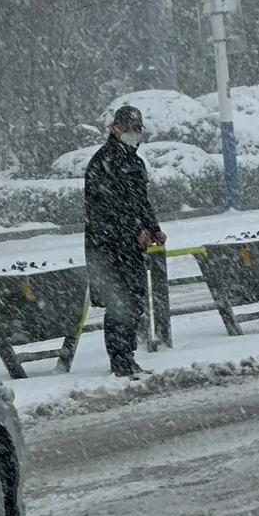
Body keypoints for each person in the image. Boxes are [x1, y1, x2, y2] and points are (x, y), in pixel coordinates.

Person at [84, 105, 166, 379]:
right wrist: (134, 230)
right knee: (119, 300)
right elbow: (107, 207)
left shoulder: (133, 161)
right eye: (129, 129)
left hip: (130, 244)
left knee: (133, 299)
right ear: (115, 128)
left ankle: (127, 356)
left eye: (137, 129)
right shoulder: (103, 163)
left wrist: (153, 229)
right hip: (109, 245)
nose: (135, 135)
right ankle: (120, 360)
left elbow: (140, 201)